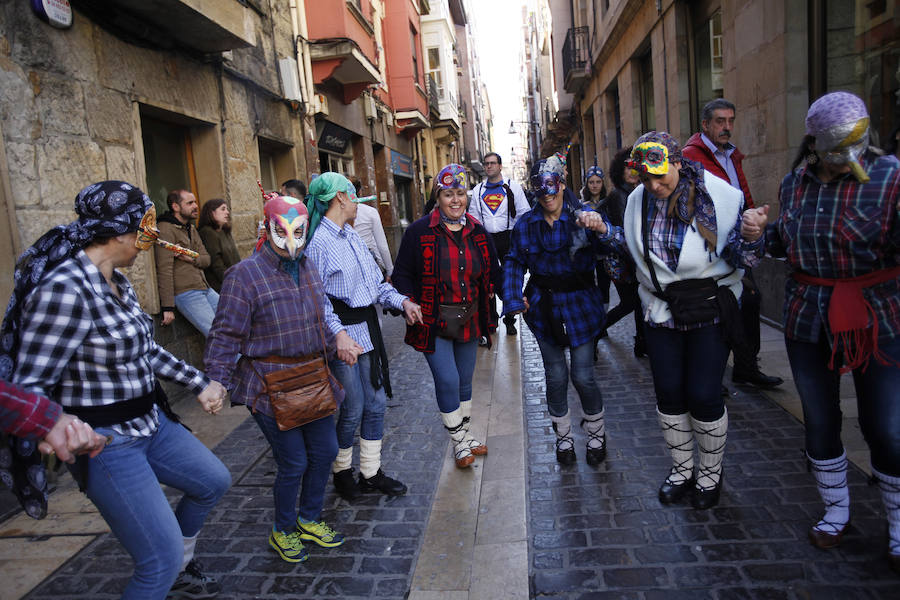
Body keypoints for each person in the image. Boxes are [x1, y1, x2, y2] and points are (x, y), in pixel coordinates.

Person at [3, 181, 230, 599]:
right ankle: (168, 565)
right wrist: (56, 425)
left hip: (152, 423)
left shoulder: (118, 283)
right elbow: (26, 383)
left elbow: (145, 352)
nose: (150, 241)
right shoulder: (65, 289)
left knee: (212, 480)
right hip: (108, 444)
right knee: (157, 559)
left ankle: (178, 566)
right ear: (122, 231)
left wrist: (200, 382)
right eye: (146, 229)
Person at [765, 92, 900, 570]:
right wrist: (759, 232)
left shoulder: (889, 176)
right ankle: (837, 511)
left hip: (876, 317)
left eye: (858, 144)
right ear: (815, 144)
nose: (850, 158)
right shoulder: (794, 184)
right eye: (839, 148)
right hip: (808, 316)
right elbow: (784, 240)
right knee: (820, 421)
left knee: (886, 427)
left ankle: (899, 526)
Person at [622, 132, 767, 510]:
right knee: (669, 393)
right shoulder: (637, 201)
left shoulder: (721, 196)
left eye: (660, 176)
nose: (654, 186)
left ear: (677, 162)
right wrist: (603, 233)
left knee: (703, 393)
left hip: (709, 308)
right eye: (645, 178)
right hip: (661, 310)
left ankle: (709, 473)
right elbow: (631, 257)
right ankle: (682, 469)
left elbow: (741, 258)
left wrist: (751, 235)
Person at [205, 194, 347, 564]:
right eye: (282, 232)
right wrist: (216, 381)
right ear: (266, 229)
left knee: (326, 452)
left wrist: (338, 346)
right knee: (294, 461)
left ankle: (309, 518)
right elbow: (224, 335)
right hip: (268, 384)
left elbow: (319, 318)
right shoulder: (244, 276)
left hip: (313, 377)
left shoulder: (310, 266)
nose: (291, 241)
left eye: (299, 232)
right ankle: (283, 529)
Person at [305, 173, 421, 500]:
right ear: (341, 198)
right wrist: (338, 335)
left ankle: (370, 471)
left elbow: (376, 285)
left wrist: (403, 302)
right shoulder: (318, 243)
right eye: (353, 195)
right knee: (352, 407)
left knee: (376, 403)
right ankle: (342, 471)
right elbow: (316, 300)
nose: (357, 200)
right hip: (340, 337)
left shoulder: (352, 236)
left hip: (367, 332)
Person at [503, 156, 623, 466]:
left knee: (583, 376)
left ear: (562, 184)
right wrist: (513, 297)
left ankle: (596, 434)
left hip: (582, 305)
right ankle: (564, 438)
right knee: (556, 376)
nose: (546, 193)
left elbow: (616, 246)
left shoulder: (583, 217)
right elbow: (515, 261)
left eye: (551, 185)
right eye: (539, 187)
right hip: (543, 308)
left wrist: (602, 227)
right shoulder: (526, 225)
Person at [393, 164, 502, 468]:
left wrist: (516, 299)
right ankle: (459, 442)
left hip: (469, 317)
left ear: (467, 195)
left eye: (460, 193)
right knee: (448, 379)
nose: (455, 200)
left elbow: (494, 271)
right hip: (432, 321)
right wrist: (406, 302)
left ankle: (465, 437)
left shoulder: (478, 231)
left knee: (465, 381)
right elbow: (401, 273)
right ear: (438, 196)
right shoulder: (419, 231)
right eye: (448, 194)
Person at [682, 99, 783, 389]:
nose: (727, 127)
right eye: (720, 121)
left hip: (739, 243)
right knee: (721, 308)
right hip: (711, 246)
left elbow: (741, 195)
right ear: (705, 124)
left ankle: (746, 366)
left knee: (749, 302)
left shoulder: (731, 155)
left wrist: (753, 224)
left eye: (730, 121)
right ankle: (716, 372)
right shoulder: (692, 156)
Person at [468, 152, 530, 336]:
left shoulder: (513, 187)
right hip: (486, 239)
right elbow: (474, 217)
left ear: (500, 166)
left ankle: (510, 319)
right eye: (486, 164)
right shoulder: (478, 190)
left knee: (509, 279)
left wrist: (520, 239)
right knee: (487, 280)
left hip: (508, 238)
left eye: (492, 163)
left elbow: (524, 213)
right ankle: (491, 320)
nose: (489, 167)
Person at [598, 147, 646, 357]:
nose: (631, 171)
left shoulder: (640, 191)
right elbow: (624, 231)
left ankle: (641, 343)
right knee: (631, 302)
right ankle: (596, 330)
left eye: (634, 166)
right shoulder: (620, 195)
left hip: (635, 258)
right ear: (620, 171)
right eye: (627, 167)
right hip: (623, 260)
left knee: (638, 302)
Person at [155, 190, 218, 336]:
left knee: (235, 322)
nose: (196, 206)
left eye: (195, 202)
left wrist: (191, 258)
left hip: (205, 287)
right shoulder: (165, 229)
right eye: (190, 203)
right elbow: (164, 269)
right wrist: (167, 307)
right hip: (186, 293)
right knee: (217, 335)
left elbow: (206, 259)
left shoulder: (190, 228)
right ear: (176, 207)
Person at [349, 178, 394, 280]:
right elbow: (382, 245)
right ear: (360, 191)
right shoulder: (370, 212)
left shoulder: (338, 215)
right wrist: (389, 270)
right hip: (369, 261)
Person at [197, 199, 241, 293]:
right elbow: (216, 264)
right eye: (223, 209)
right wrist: (233, 283)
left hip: (235, 280)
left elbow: (235, 258)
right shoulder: (207, 232)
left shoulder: (225, 231)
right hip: (221, 286)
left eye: (227, 209)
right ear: (212, 212)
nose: (227, 212)